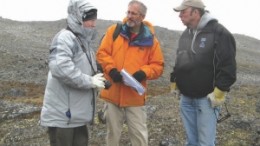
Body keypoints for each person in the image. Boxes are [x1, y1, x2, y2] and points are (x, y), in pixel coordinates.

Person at [96, 0, 164, 145]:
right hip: (113, 94)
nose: (129, 16)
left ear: (142, 17)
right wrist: (112, 69)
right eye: (128, 12)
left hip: (135, 97)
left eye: (134, 13)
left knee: (139, 137)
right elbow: (102, 53)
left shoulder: (151, 40)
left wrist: (143, 73)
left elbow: (158, 66)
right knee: (112, 136)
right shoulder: (114, 31)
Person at [170, 0, 236, 145]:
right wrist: (174, 80)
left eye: (183, 12)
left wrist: (218, 93)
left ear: (196, 12)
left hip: (206, 100)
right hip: (186, 98)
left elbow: (228, 68)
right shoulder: (186, 34)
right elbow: (180, 59)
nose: (180, 15)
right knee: (191, 141)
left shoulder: (219, 33)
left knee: (205, 142)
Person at [40, 0, 105, 145]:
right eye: (89, 20)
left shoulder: (84, 42)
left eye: (94, 20)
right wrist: (90, 81)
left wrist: (96, 75)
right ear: (77, 17)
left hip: (77, 115)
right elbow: (60, 68)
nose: (93, 24)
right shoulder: (65, 38)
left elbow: (82, 68)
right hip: (63, 116)